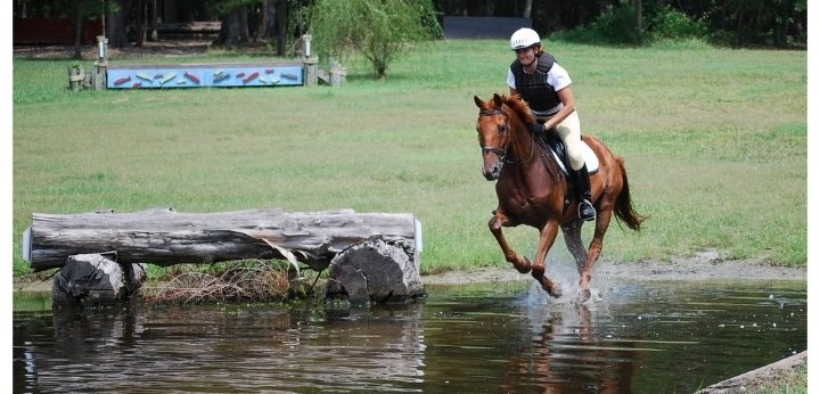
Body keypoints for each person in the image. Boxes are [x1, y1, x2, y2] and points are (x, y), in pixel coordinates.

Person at [506, 27, 596, 222]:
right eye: (518, 51)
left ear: (537, 49)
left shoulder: (554, 70)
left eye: (526, 50)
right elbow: (516, 102)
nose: (522, 55)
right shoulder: (514, 71)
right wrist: (524, 123)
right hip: (535, 117)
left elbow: (570, 105)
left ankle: (585, 201)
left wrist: (546, 127)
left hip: (562, 116)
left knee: (573, 153)